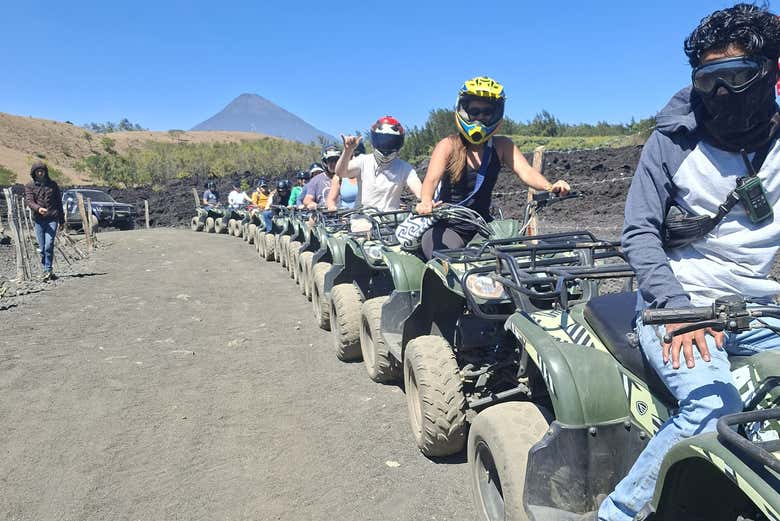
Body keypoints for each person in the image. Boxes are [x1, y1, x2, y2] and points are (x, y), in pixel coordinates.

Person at [598, 5, 780, 520]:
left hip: (757, 309)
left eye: (737, 77)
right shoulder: (671, 140)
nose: (721, 95)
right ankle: (618, 512)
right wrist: (674, 308)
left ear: (771, 72)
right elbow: (638, 232)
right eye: (709, 80)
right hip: (680, 302)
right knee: (713, 407)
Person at [414, 76, 569, 259]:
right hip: (448, 227)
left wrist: (550, 187)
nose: (480, 117)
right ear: (463, 111)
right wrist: (425, 201)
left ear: (496, 114)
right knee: (449, 263)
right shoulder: (448, 145)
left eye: (487, 112)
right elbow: (431, 180)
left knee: (509, 262)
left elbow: (526, 171)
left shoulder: (502, 145)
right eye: (474, 111)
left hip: (483, 226)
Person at [328, 116, 422, 211]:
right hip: (363, 218)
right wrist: (348, 150)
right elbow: (340, 172)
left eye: (391, 142)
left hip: (392, 219)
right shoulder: (363, 161)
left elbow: (417, 187)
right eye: (382, 141)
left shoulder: (404, 167)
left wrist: (425, 200)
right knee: (363, 226)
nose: (386, 146)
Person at [24, 161, 64, 281]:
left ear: (45, 172)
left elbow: (59, 203)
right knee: (42, 248)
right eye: (38, 171)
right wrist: (38, 208)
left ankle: (48, 269)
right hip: (38, 220)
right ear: (34, 173)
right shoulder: (29, 186)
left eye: (42, 171)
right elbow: (29, 201)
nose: (40, 173)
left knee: (49, 245)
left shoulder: (53, 185)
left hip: (52, 218)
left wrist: (62, 220)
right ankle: (46, 269)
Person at [303, 145, 341, 209]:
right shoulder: (315, 180)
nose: (334, 164)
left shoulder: (346, 178)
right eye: (330, 161)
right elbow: (307, 199)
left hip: (344, 215)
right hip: (323, 216)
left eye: (336, 160)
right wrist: (311, 204)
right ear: (325, 162)